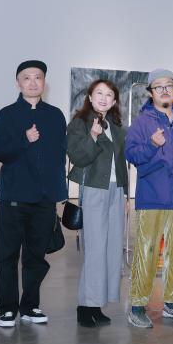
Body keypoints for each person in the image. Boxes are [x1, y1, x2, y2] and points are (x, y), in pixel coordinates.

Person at [0, 60, 67, 328]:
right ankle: (7, 308)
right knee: (7, 256)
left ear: (44, 82)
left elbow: (60, 156)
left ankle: (30, 306)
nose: (33, 82)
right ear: (18, 83)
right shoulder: (7, 115)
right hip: (13, 197)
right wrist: (24, 140)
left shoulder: (55, 115)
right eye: (27, 77)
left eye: (38, 77)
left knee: (36, 257)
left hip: (44, 199)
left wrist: (59, 192)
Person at [124, 69, 173, 328]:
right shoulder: (142, 123)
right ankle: (137, 305)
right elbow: (132, 155)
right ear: (151, 92)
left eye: (169, 86)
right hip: (153, 198)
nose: (164, 90)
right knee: (147, 251)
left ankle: (172, 302)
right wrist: (152, 144)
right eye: (158, 87)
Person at [67, 79, 128, 328]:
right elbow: (77, 156)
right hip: (94, 189)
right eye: (99, 93)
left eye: (109, 94)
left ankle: (98, 304)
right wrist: (92, 136)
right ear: (90, 98)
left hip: (116, 190)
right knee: (94, 249)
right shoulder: (79, 123)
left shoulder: (116, 127)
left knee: (112, 249)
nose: (103, 98)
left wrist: (125, 194)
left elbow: (122, 162)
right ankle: (85, 305)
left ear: (114, 101)